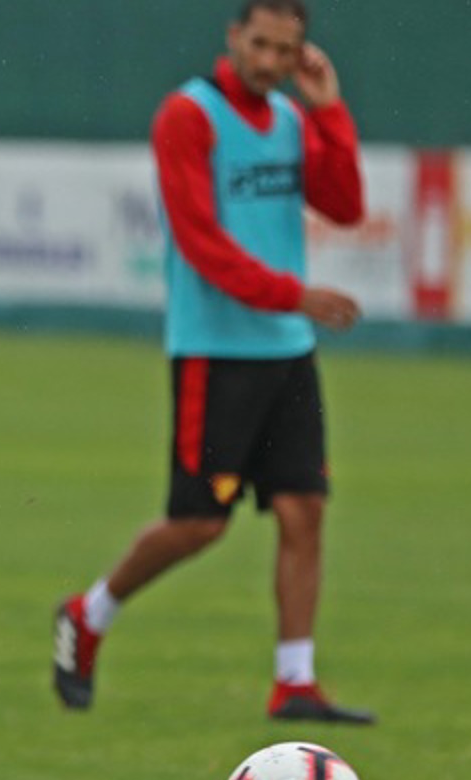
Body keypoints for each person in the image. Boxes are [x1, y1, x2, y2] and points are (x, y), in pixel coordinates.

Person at [52, 0, 374, 724]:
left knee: (304, 509)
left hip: (287, 352)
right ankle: (88, 613)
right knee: (199, 523)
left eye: (285, 52)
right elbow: (201, 244)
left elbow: (346, 205)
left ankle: (295, 682)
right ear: (234, 37)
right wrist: (295, 295)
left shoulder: (289, 118)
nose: (270, 62)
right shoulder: (189, 116)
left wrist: (329, 111)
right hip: (215, 352)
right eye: (260, 45)